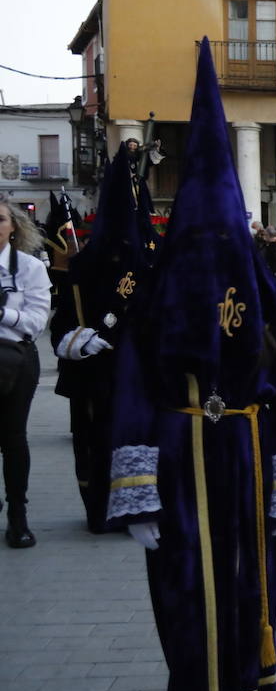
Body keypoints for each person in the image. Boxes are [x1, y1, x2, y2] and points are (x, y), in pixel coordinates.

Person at [104, 41, 276, 691]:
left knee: (254, 589)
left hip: (250, 460)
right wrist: (134, 493)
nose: (209, 246)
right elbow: (130, 388)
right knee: (186, 593)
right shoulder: (157, 296)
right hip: (179, 458)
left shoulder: (265, 296)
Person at [48, 143, 159, 534]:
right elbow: (61, 319)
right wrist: (77, 340)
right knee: (93, 439)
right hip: (93, 371)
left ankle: (137, 508)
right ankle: (100, 510)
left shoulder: (149, 265)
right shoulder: (82, 266)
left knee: (137, 436)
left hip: (135, 370)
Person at [0, 195, 52, 548]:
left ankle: (18, 516)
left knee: (13, 438)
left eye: (0, 219)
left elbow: (36, 323)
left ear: (14, 226)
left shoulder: (30, 268)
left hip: (14, 361)